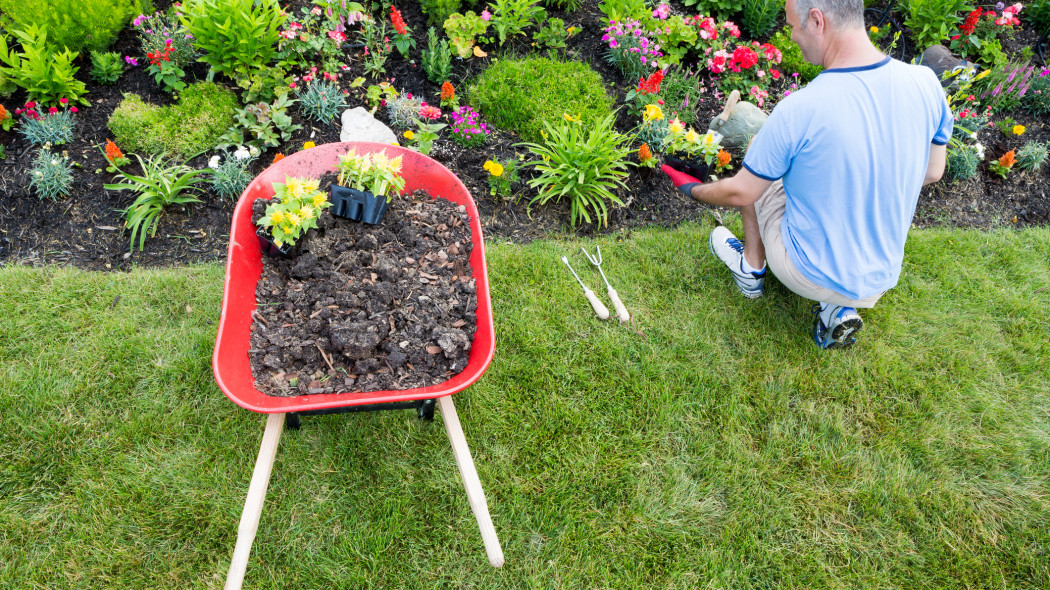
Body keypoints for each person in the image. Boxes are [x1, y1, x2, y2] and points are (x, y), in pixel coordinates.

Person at [662, 0, 952, 349]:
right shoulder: (926, 84)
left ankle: (751, 268)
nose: (792, 35)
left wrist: (693, 190)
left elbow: (742, 193)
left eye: (792, 26)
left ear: (817, 21)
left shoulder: (800, 108)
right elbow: (933, 172)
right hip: (879, 275)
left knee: (757, 149)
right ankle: (837, 309)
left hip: (805, 271)